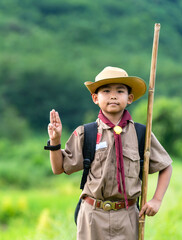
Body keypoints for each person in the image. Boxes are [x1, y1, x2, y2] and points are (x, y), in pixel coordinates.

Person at [45, 66, 173, 240]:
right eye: (106, 90)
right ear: (95, 98)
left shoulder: (141, 133)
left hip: (128, 215)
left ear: (130, 98)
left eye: (120, 91)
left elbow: (165, 166)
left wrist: (157, 200)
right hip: (93, 215)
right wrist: (55, 141)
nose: (113, 95)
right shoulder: (86, 133)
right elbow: (59, 168)